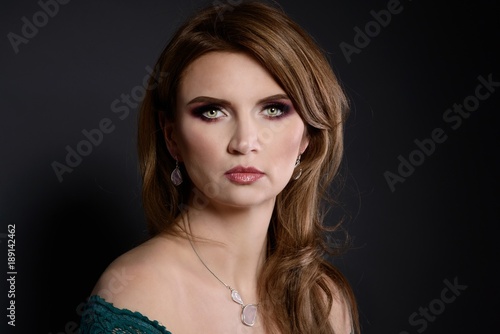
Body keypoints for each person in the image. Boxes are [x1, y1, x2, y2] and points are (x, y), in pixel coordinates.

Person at [80, 0, 360, 333]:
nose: (244, 142)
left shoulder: (324, 300)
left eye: (273, 110)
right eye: (213, 112)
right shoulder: (135, 292)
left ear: (307, 137)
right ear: (172, 138)